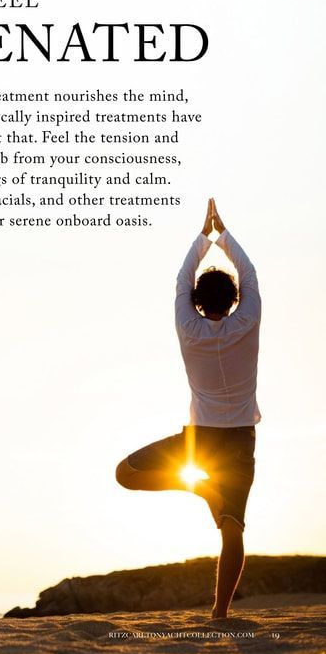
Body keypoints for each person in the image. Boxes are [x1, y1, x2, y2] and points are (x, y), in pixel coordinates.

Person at [115, 198, 261, 619]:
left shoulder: (187, 325)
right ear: (235, 299)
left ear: (197, 301)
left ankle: (197, 487)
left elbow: (182, 279)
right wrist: (223, 235)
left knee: (126, 473)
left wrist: (204, 237)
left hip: (199, 440)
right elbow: (249, 274)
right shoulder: (247, 319)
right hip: (238, 440)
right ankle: (219, 613)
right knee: (232, 529)